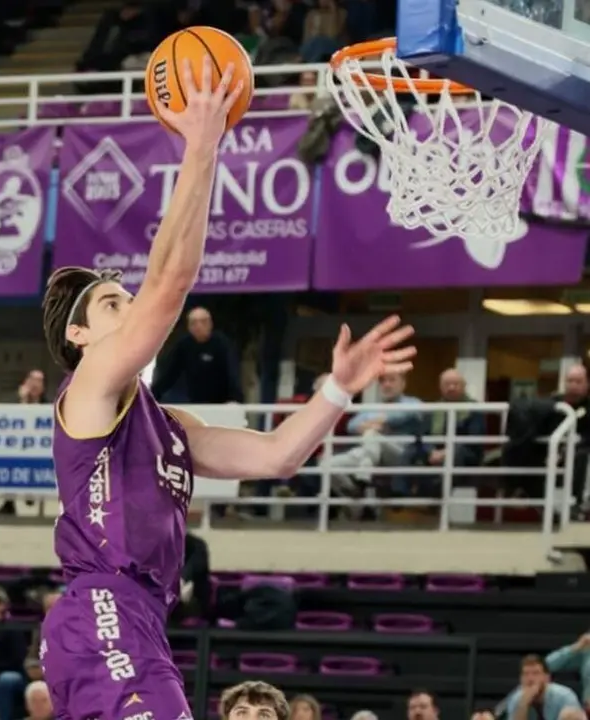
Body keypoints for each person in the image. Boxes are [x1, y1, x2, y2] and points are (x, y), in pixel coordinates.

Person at [38, 56, 417, 720]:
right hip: (104, 608)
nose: (130, 307)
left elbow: (278, 457)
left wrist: (338, 389)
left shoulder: (169, 425)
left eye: (125, 298)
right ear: (79, 336)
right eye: (111, 304)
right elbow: (168, 287)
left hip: (138, 618)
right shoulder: (88, 387)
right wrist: (202, 146)